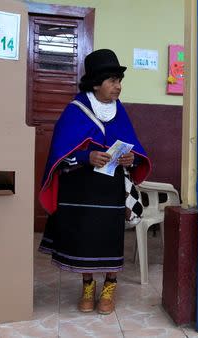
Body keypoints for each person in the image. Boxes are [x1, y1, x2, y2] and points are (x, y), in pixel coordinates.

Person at [38, 49, 151, 315]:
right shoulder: (74, 111)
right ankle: (87, 286)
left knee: (110, 238)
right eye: (112, 80)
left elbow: (135, 151)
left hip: (110, 189)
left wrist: (130, 160)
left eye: (119, 80)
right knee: (84, 238)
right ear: (96, 83)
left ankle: (110, 286)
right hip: (80, 189)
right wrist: (87, 156)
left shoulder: (119, 112)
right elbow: (59, 156)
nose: (118, 86)